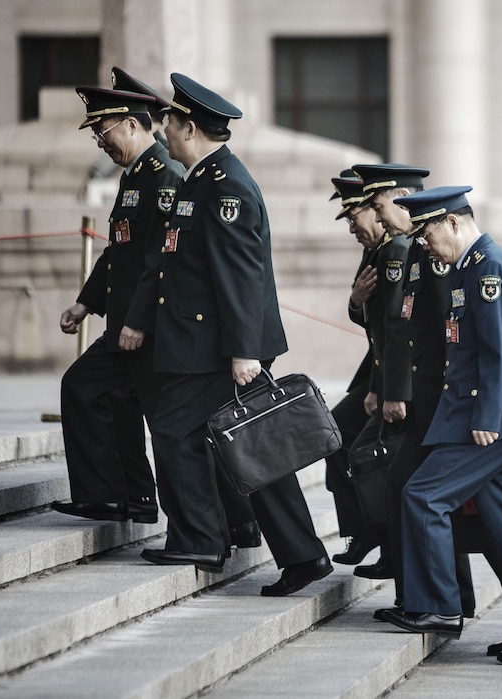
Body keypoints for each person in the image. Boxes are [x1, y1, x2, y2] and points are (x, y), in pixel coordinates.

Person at [141, 73, 330, 596]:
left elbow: (241, 275)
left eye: (171, 126)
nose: (165, 135)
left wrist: (245, 351)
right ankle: (302, 554)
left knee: (178, 431)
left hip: (218, 350)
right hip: (207, 345)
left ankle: (201, 538)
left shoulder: (226, 187)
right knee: (256, 447)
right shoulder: (203, 179)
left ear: (191, 127)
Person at [383, 186, 502, 670]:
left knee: (422, 495)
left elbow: (499, 351)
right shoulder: (469, 269)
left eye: (427, 230)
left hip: (493, 422)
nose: (423, 242)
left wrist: (487, 417)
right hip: (499, 420)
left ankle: (439, 607)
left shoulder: (487, 267)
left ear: (452, 222)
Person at [51, 76, 183, 525]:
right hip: (124, 323)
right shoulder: (135, 175)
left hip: (148, 328)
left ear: (130, 124)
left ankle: (221, 524)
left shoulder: (165, 175)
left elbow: (159, 261)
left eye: (102, 132)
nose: (99, 143)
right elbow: (119, 250)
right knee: (95, 391)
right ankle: (126, 498)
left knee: (163, 425)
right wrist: (85, 303)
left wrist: (138, 321)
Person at [346, 163, 427, 582]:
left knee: (397, 479)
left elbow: (399, 328)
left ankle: (392, 555)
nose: (374, 217)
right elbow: (381, 327)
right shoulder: (392, 247)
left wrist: (391, 390)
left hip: (408, 390)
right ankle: (384, 549)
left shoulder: (401, 248)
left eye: (376, 207)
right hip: (393, 384)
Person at [322, 175, 382, 566]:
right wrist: (356, 301)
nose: (352, 227)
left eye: (355, 215)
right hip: (376, 374)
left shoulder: (399, 248)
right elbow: (367, 315)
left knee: (363, 453)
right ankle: (362, 533)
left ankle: (376, 536)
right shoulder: (373, 250)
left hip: (390, 379)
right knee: (332, 438)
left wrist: (385, 387)